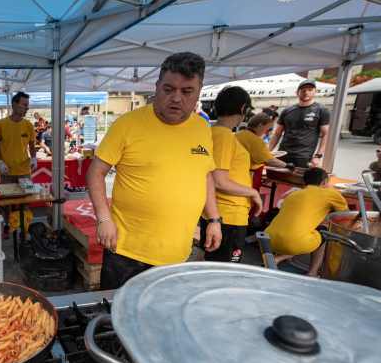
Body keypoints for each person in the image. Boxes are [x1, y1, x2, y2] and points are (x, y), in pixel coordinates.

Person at [86, 52, 222, 289]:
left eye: (187, 91)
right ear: (157, 87)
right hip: (127, 252)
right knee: (116, 318)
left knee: (161, 318)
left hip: (177, 252)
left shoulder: (202, 127)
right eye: (168, 89)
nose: (176, 98)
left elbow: (205, 174)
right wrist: (103, 218)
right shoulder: (127, 124)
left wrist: (214, 219)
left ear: (199, 92)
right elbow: (95, 172)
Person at [204, 86, 262, 263]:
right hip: (228, 216)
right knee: (225, 270)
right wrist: (253, 193)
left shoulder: (212, 132)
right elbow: (219, 180)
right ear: (243, 108)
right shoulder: (223, 136)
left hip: (222, 214)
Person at [265, 168, 348, 276]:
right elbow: (345, 216)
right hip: (294, 242)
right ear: (324, 182)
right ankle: (312, 272)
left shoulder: (294, 194)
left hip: (267, 239)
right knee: (324, 232)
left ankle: (279, 257)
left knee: (300, 231)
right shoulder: (331, 193)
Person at [269, 79, 330, 168]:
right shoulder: (287, 111)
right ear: (297, 92)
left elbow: (326, 134)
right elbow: (277, 133)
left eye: (310, 90)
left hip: (304, 156)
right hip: (283, 153)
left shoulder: (321, 110)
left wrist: (318, 156)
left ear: (315, 92)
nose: (306, 92)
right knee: (277, 179)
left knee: (298, 181)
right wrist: (268, 151)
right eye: (303, 90)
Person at [0, 91, 36, 183]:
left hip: (24, 171)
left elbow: (32, 145)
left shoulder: (28, 125)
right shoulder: (0, 124)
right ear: (14, 105)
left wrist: (34, 158)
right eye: (24, 105)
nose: (27, 108)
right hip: (6, 171)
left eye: (27, 105)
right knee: (8, 196)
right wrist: (0, 162)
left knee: (27, 196)